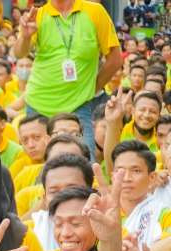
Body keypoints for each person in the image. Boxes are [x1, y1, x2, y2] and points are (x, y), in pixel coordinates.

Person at [13, 0, 122, 156]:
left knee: (84, 165)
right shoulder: (38, 15)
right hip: (38, 106)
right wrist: (24, 36)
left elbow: (115, 59)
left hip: (77, 107)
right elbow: (19, 53)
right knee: (39, 169)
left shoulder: (95, 12)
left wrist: (92, 88)